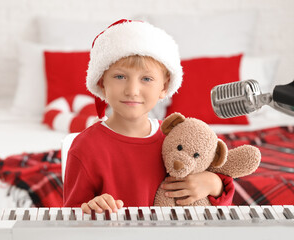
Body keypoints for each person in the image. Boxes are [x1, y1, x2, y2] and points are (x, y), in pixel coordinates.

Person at [63, 19, 234, 214]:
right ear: (102, 82)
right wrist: (91, 207)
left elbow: (219, 207)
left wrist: (213, 184)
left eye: (146, 79)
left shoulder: (175, 137)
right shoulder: (85, 147)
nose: (132, 90)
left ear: (164, 86)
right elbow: (71, 215)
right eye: (120, 76)